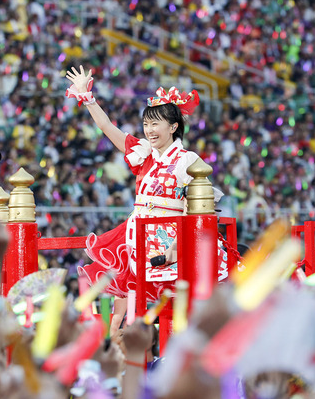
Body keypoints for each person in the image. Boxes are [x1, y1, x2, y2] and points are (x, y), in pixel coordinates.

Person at [66, 65, 224, 334]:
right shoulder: (144, 154)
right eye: (146, 124)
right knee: (124, 315)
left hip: (170, 241)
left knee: (174, 314)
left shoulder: (187, 161)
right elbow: (106, 126)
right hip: (134, 238)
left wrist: (173, 247)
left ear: (173, 126)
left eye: (156, 124)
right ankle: (122, 363)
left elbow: (199, 210)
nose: (149, 130)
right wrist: (87, 97)